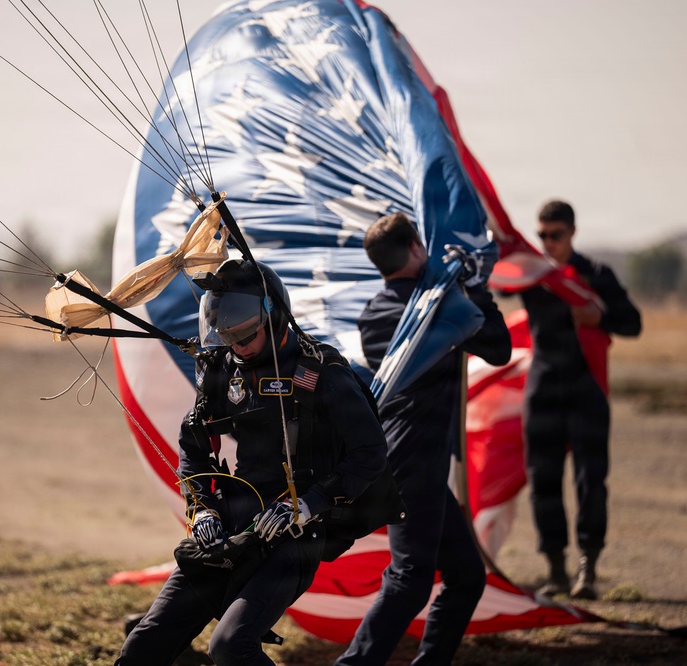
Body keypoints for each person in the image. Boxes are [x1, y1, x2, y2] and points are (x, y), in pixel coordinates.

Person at [117, 258, 392, 666]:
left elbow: (369, 454)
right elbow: (193, 448)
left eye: (246, 333)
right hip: (231, 525)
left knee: (231, 647)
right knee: (145, 643)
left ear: (274, 314)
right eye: (227, 334)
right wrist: (202, 509)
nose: (238, 345)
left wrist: (307, 505)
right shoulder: (221, 369)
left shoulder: (322, 372)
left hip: (295, 537)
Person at [335, 212, 511, 666]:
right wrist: (475, 292)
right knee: (410, 579)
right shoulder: (436, 309)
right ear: (416, 247)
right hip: (412, 462)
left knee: (467, 576)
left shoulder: (375, 312)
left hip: (411, 462)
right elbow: (499, 347)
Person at [520, 199, 642, 599]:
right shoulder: (533, 275)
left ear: (572, 232)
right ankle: (556, 571)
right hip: (542, 391)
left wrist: (598, 318)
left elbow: (632, 322)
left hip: (585, 390)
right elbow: (496, 282)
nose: (548, 243)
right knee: (543, 483)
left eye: (555, 235)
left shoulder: (594, 275)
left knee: (591, 482)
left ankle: (588, 571)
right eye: (542, 236)